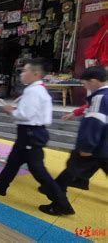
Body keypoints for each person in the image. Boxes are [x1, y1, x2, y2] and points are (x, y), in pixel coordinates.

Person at [0, 58, 74, 216]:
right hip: (31, 133)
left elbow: (26, 114)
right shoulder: (37, 89)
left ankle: (61, 203)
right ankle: (0, 185)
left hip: (31, 133)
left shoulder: (33, 91)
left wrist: (10, 110)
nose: (21, 74)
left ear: (36, 74)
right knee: (13, 161)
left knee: (38, 170)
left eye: (25, 71)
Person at [39, 66, 107, 215]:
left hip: (96, 146)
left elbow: (94, 123)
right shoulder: (103, 95)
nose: (84, 87)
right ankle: (79, 182)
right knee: (75, 169)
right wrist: (75, 113)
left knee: (70, 169)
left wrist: (86, 147)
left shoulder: (100, 97)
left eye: (85, 84)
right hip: (102, 147)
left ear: (94, 81)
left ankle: (59, 204)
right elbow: (89, 108)